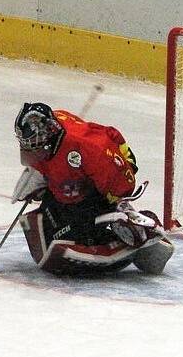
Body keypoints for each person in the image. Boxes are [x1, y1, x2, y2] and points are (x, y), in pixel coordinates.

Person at [11, 102, 174, 276]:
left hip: (113, 172)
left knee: (81, 228)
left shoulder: (89, 149)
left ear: (47, 134)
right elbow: (51, 160)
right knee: (52, 229)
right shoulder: (53, 125)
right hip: (83, 176)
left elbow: (123, 184)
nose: (26, 147)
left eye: (32, 143)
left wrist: (116, 206)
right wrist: (41, 177)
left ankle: (142, 232)